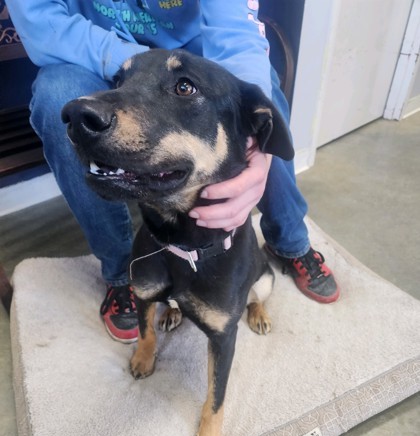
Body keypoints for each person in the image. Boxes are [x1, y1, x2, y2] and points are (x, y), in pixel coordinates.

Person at [8, 0, 339, 343]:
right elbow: (40, 22)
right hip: (92, 49)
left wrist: (256, 147)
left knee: (257, 86)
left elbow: (236, 33)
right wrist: (134, 62)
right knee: (55, 94)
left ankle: (289, 241)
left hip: (193, 50)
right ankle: (124, 275)